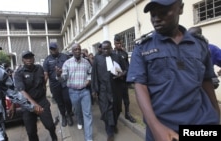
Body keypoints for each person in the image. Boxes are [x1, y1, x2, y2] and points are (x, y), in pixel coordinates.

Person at [126, 0, 220, 141]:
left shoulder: (199, 45)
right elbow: (139, 86)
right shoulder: (142, 48)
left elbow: (206, 80)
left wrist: (216, 113)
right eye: (153, 15)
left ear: (180, 9)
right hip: (165, 129)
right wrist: (156, 127)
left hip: (201, 123)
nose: (156, 19)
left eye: (163, 13)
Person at [13, 50, 58, 141]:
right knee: (31, 132)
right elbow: (21, 91)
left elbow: (43, 81)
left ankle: (54, 136)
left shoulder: (39, 68)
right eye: (26, 58)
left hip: (42, 101)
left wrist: (43, 92)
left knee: (50, 125)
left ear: (33, 59)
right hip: (27, 105)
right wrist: (34, 104)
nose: (28, 59)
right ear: (22, 60)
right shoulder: (19, 73)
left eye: (30, 57)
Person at [56, 43, 93, 141]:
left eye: (79, 49)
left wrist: (89, 80)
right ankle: (79, 120)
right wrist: (59, 75)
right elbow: (63, 79)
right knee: (77, 111)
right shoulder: (67, 63)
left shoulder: (86, 62)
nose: (77, 51)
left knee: (88, 114)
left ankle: (88, 138)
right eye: (75, 49)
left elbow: (90, 72)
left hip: (85, 92)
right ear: (72, 51)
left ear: (81, 50)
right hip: (73, 92)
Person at [91, 40, 127, 141]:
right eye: (104, 49)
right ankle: (110, 132)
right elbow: (94, 76)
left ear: (111, 48)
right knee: (106, 110)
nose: (106, 50)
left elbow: (125, 70)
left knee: (117, 109)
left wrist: (121, 74)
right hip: (103, 90)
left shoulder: (117, 57)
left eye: (108, 48)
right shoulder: (97, 59)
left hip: (116, 88)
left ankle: (114, 124)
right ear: (101, 49)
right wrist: (94, 90)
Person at [43, 42, 73, 127]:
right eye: (51, 49)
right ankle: (63, 116)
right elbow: (46, 74)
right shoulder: (47, 60)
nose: (53, 50)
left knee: (67, 100)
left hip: (65, 83)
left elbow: (71, 69)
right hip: (54, 85)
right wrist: (43, 87)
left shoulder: (65, 57)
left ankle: (69, 114)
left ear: (58, 48)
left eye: (54, 48)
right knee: (60, 102)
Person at [112, 35, 136, 123]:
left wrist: (124, 73)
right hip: (114, 81)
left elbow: (127, 67)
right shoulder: (111, 53)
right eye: (117, 43)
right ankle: (116, 115)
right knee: (116, 100)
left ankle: (127, 113)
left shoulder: (124, 53)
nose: (118, 45)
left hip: (123, 80)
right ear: (114, 43)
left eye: (120, 43)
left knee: (126, 98)